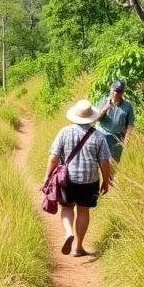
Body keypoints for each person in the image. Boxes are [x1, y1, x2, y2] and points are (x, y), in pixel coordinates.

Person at [43, 99, 111, 257]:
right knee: (83, 210)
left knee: (67, 207)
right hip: (90, 180)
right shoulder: (99, 137)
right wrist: (106, 181)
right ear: (91, 117)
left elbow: (53, 157)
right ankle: (79, 247)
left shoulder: (64, 132)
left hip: (67, 179)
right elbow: (104, 161)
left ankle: (68, 233)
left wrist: (47, 176)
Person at [96, 80, 135, 163]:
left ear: (122, 92)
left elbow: (130, 124)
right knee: (102, 162)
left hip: (117, 138)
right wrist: (106, 108)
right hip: (102, 135)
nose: (116, 93)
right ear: (111, 90)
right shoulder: (103, 101)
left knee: (114, 164)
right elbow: (96, 118)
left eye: (119, 91)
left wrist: (126, 140)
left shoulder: (128, 106)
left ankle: (111, 176)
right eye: (114, 91)